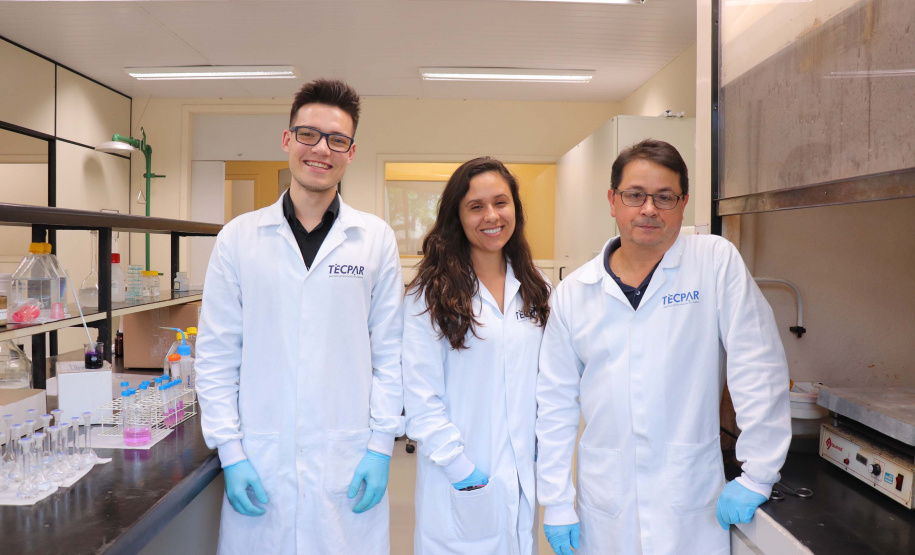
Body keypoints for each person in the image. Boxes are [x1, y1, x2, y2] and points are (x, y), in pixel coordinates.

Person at [535, 139, 791, 555]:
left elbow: (757, 366)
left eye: (664, 197)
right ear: (612, 201)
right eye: (634, 195)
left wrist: (759, 471)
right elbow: (555, 404)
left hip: (690, 502)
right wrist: (557, 499)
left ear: (683, 203)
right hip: (606, 503)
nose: (649, 209)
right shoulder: (574, 293)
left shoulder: (713, 262)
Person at [195, 78, 405, 555]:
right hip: (261, 458)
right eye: (309, 135)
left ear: (351, 152)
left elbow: (390, 353)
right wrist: (231, 451)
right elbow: (216, 354)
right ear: (288, 140)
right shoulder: (239, 238)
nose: (321, 150)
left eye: (337, 140)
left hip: (347, 456)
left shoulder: (374, 240)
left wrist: (379, 446)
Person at [403, 157, 552, 554]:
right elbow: (420, 399)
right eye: (476, 206)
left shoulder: (537, 289)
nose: (491, 216)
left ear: (515, 210)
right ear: (458, 216)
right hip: (461, 477)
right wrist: (463, 471)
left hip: (522, 477)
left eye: (501, 203)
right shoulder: (429, 295)